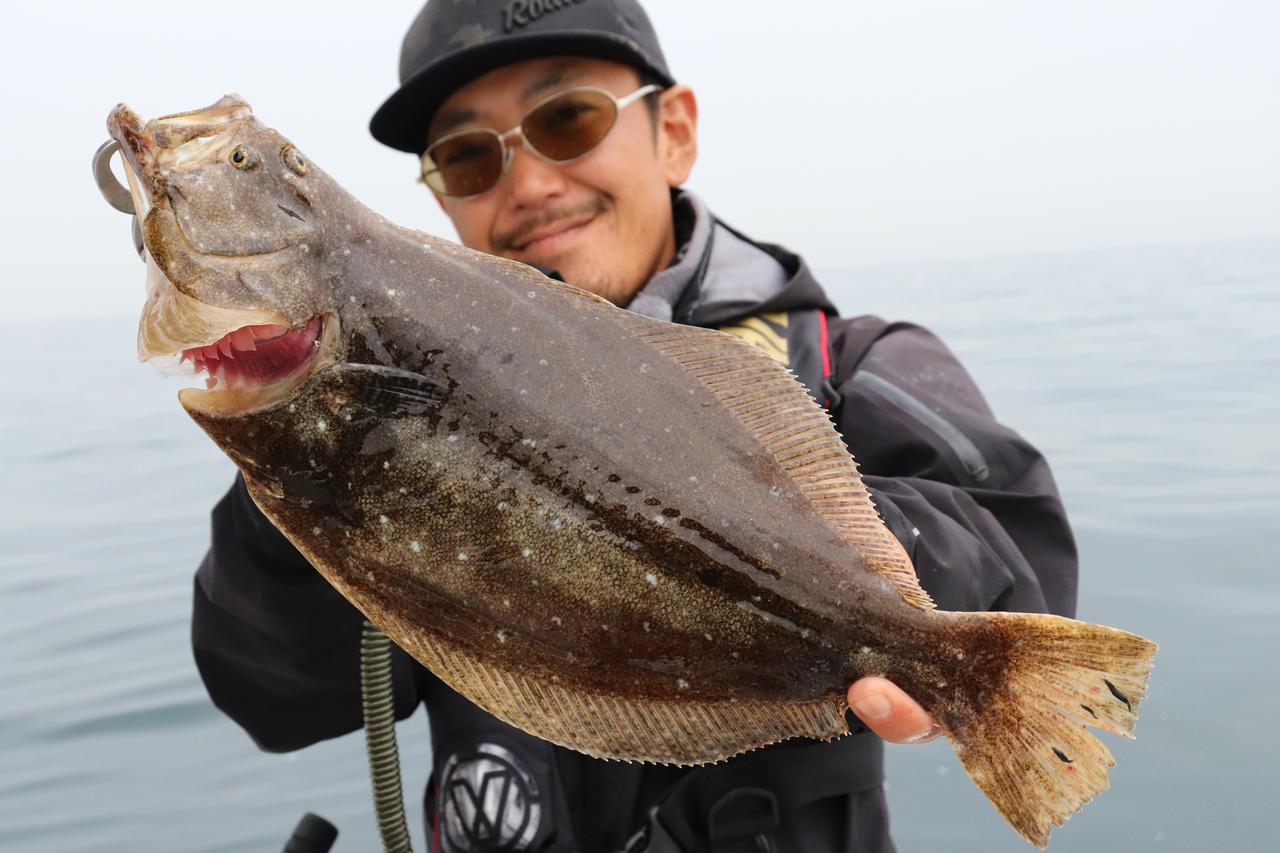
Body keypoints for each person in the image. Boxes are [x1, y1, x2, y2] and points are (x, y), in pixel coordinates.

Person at [192, 2, 1078, 851]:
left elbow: (1021, 555)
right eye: (469, 158)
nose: (531, 183)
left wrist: (847, 585)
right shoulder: (387, 417)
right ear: (443, 199)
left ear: (675, 131)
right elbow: (276, 698)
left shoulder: (850, 361)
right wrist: (308, 446)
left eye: (569, 119)